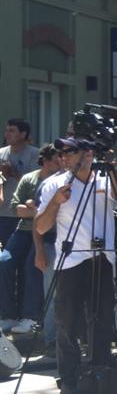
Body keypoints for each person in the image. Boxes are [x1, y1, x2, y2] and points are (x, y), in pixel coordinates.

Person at [34, 138, 115, 394]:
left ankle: (100, 373)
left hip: (102, 258)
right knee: (67, 322)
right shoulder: (55, 184)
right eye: (62, 152)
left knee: (101, 319)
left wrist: (111, 168)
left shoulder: (105, 179)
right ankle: (69, 379)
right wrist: (56, 202)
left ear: (88, 154)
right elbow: (41, 226)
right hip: (71, 261)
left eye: (70, 152)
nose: (64, 157)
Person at [7, 144, 61, 336]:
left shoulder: (61, 181)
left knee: (33, 265)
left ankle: (31, 317)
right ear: (45, 161)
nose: (61, 163)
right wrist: (38, 212)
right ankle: (7, 315)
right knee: (4, 261)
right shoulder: (29, 179)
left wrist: (35, 211)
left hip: (47, 232)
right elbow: (16, 209)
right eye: (56, 160)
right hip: (24, 230)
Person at [0, 118, 38, 328]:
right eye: (6, 130)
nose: (7, 134)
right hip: (3, 217)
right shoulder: (1, 153)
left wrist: (13, 173)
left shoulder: (34, 155)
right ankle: (7, 314)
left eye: (12, 130)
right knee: (4, 264)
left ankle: (27, 315)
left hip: (25, 220)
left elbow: (35, 184)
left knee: (26, 267)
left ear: (23, 134)